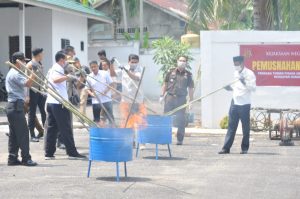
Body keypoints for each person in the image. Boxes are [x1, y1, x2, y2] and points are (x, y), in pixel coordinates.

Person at [45, 51, 86, 160]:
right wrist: (67, 77)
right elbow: (55, 79)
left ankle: (49, 153)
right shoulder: (57, 68)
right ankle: (72, 153)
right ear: (61, 60)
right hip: (58, 103)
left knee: (52, 128)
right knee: (66, 127)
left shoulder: (57, 68)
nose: (66, 63)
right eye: (66, 60)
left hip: (53, 101)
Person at [218, 56, 256, 154]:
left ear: (242, 63)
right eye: (235, 64)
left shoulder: (249, 73)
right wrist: (229, 88)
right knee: (231, 127)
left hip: (244, 104)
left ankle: (244, 148)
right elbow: (236, 87)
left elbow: (253, 88)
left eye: (237, 64)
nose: (236, 66)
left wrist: (244, 82)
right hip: (234, 102)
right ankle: (226, 148)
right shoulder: (235, 73)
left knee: (245, 128)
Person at [5, 52, 37, 166]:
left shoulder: (13, 72)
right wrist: (34, 72)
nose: (25, 63)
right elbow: (28, 83)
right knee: (23, 133)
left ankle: (12, 158)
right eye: (23, 60)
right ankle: (26, 158)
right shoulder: (15, 73)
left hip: (13, 107)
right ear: (18, 61)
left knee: (14, 134)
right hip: (15, 107)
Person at [161, 56, 194, 145]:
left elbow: (191, 88)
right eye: (180, 60)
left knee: (181, 120)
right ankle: (164, 138)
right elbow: (165, 84)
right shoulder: (170, 72)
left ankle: (180, 139)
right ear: (177, 61)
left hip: (181, 99)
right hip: (170, 98)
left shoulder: (188, 74)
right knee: (166, 119)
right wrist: (162, 95)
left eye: (184, 61)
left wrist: (191, 100)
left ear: (186, 63)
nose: (182, 62)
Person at [119, 54, 147, 148]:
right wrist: (111, 65)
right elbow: (113, 74)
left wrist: (126, 71)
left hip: (137, 100)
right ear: (128, 61)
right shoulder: (124, 68)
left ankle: (141, 142)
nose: (134, 63)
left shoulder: (140, 69)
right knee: (128, 122)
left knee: (140, 121)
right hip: (126, 100)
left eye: (136, 62)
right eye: (132, 62)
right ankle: (131, 142)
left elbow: (136, 78)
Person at [26, 48, 47, 142]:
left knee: (43, 111)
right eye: (42, 54)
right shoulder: (30, 64)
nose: (43, 55)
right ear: (38, 55)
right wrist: (27, 95)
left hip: (39, 91)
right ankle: (32, 135)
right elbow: (27, 80)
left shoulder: (39, 64)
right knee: (32, 113)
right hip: (32, 91)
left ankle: (46, 132)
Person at [86, 61, 114, 127]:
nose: (93, 68)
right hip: (96, 101)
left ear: (98, 66)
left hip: (106, 99)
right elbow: (87, 88)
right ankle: (98, 131)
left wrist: (105, 91)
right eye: (92, 67)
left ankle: (113, 130)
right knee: (96, 119)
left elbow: (111, 84)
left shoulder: (105, 73)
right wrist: (91, 94)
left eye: (95, 66)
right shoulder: (89, 76)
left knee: (110, 117)